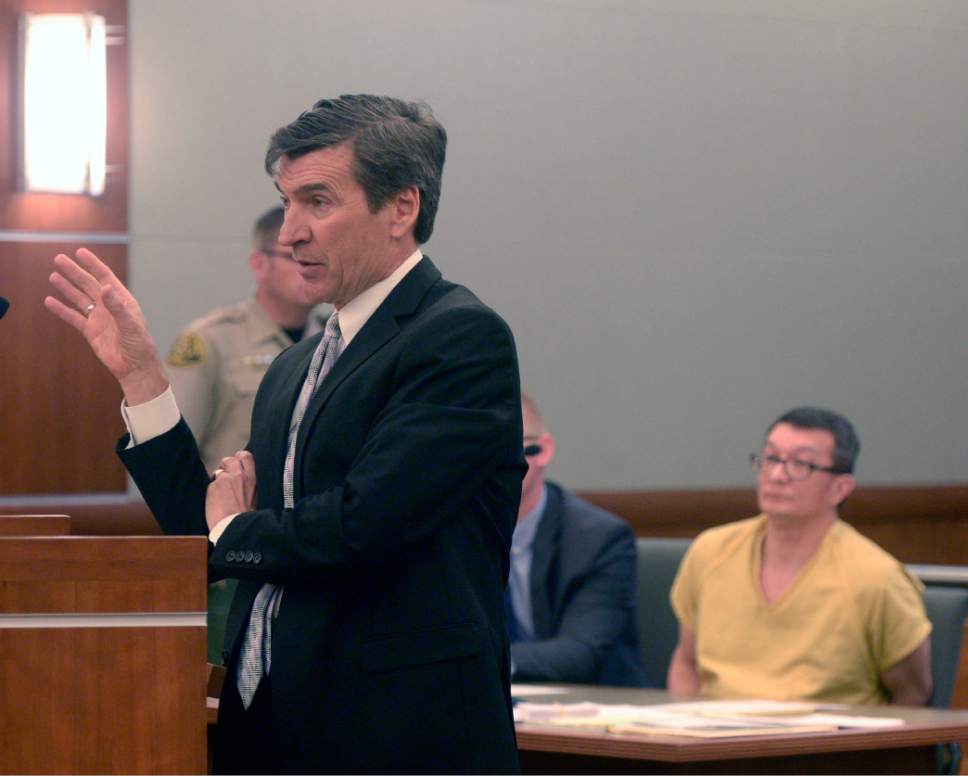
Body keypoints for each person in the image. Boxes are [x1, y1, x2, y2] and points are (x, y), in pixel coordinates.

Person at [46, 94, 524, 774]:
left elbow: (360, 529)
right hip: (271, 727)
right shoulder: (295, 365)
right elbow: (207, 533)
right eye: (286, 201)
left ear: (401, 208)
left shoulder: (458, 338)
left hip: (399, 734)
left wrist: (233, 529)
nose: (289, 233)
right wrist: (143, 379)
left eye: (318, 202)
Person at [667, 406, 932, 706]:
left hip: (825, 746)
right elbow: (686, 662)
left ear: (840, 488)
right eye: (771, 458)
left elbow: (913, 691)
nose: (778, 475)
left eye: (801, 464)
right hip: (712, 742)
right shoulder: (710, 551)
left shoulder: (875, 577)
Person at [166, 205, 326, 473]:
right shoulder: (210, 339)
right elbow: (174, 456)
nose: (309, 269)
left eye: (318, 259)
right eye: (296, 257)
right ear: (259, 265)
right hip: (233, 511)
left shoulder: (335, 338)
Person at [508, 393, 648, 686]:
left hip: (600, 712)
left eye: (503, 449)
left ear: (542, 451)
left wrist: (480, 660)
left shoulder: (598, 539)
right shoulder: (454, 536)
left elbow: (579, 655)